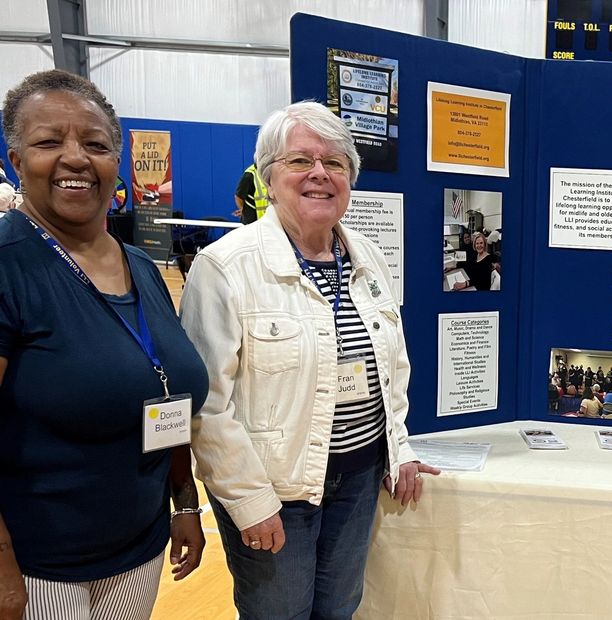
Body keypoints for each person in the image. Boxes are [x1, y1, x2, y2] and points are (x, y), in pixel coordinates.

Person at [180, 101, 441, 619]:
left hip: (359, 479)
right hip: (276, 492)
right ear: (268, 178)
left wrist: (400, 448)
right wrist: (250, 502)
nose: (320, 174)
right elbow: (207, 405)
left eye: (336, 163)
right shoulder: (226, 267)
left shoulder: (368, 256)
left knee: (339, 610)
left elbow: (392, 368)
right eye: (300, 161)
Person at [0, 70, 208, 619]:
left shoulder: (141, 266)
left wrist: (184, 501)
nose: (75, 158)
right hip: (38, 565)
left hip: (137, 549)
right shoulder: (8, 266)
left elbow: (166, 390)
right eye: (49, 141)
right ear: (17, 161)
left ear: (116, 162)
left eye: (95, 144)